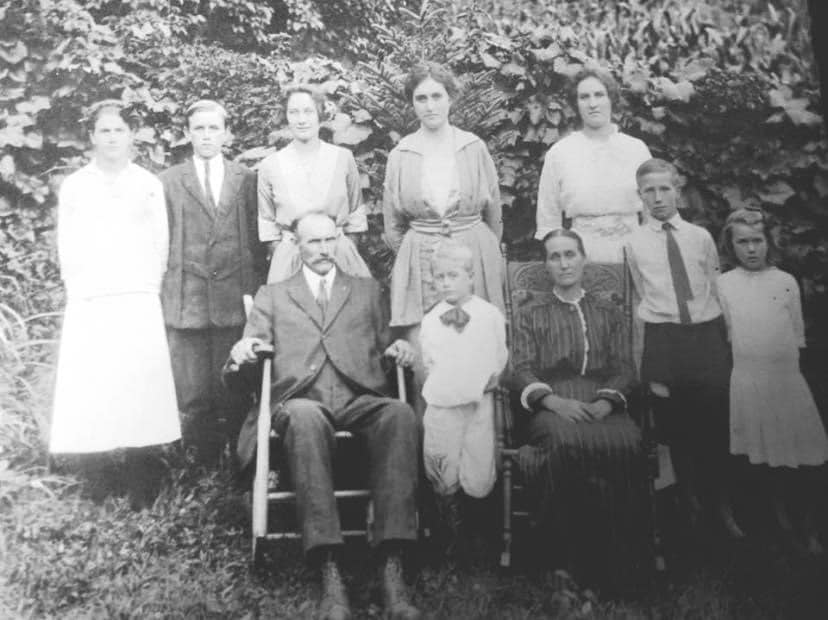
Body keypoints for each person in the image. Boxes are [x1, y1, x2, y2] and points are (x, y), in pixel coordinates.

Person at [224, 213, 421, 620]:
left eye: (330, 240)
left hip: (358, 396)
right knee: (305, 419)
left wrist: (398, 349)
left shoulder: (366, 291)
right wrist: (244, 352)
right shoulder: (274, 295)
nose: (323, 249)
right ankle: (328, 566)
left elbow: (386, 347)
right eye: (313, 242)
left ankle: (392, 563)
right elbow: (250, 347)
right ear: (296, 246)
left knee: (399, 414)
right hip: (302, 398)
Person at [50, 100, 180, 509]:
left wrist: (146, 288)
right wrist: (80, 291)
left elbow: (160, 243)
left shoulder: (147, 183)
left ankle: (142, 479)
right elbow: (67, 244)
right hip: (91, 299)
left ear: (131, 136)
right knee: (95, 385)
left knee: (138, 384)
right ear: (91, 136)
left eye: (119, 130)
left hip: (136, 297)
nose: (111, 138)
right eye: (104, 131)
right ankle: (98, 479)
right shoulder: (76, 186)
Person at [511, 229, 649, 589]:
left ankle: (617, 567)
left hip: (602, 401)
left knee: (627, 442)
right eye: (554, 257)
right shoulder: (530, 313)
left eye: (570, 254)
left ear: (583, 258)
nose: (563, 263)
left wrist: (606, 402)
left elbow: (624, 367)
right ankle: (563, 564)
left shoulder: (608, 312)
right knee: (564, 444)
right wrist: (553, 401)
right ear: (546, 265)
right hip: (552, 404)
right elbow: (521, 368)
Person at [625, 158, 741, 537]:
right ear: (640, 195)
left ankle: (722, 505)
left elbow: (715, 285)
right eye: (649, 191)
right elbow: (640, 294)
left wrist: (725, 337)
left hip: (705, 335)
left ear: (677, 190)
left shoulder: (699, 237)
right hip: (664, 338)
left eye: (665, 189)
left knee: (716, 422)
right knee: (675, 428)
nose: (658, 198)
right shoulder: (633, 243)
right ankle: (688, 504)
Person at [160, 100, 265, 465]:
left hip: (232, 295)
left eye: (213, 128)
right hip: (188, 298)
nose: (206, 136)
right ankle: (201, 466)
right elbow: (163, 241)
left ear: (226, 133)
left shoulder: (246, 179)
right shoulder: (169, 181)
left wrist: (252, 293)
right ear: (187, 134)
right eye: (199, 129)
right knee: (193, 389)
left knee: (234, 384)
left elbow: (256, 240)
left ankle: (239, 462)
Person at [717, 208, 828, 553]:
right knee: (763, 458)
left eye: (757, 240)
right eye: (742, 242)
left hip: (786, 380)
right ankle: (776, 526)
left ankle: (808, 527)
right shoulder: (724, 284)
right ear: (731, 245)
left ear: (769, 242)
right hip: (748, 381)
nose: (751, 249)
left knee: (804, 456)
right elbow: (728, 334)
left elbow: (796, 333)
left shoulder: (785, 282)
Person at [383, 62, 504, 371]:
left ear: (450, 98)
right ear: (412, 103)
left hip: (473, 252)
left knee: (477, 348)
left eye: (437, 96)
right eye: (421, 98)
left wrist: (479, 249)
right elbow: (393, 225)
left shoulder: (472, 147)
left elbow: (494, 215)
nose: (430, 105)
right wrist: (418, 250)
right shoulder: (402, 154)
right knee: (428, 353)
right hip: (420, 257)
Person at [419, 242, 508, 556]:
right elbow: (429, 361)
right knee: (442, 460)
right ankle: (449, 535)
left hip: (479, 402)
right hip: (443, 404)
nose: (445, 283)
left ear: (470, 277)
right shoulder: (432, 319)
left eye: (453, 275)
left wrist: (485, 380)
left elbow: (498, 356)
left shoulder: (489, 315)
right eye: (439, 277)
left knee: (479, 462)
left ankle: (479, 533)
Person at [536, 67, 652, 263]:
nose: (592, 104)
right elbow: (548, 219)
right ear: (576, 104)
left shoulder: (636, 149)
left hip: (635, 251)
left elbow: (652, 212)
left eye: (599, 95)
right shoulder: (560, 153)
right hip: (581, 254)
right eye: (584, 97)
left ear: (611, 99)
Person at [258, 84, 370, 282]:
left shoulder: (342, 158)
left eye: (308, 111)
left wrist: (343, 251)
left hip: (338, 256)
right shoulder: (270, 165)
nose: (301, 120)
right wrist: (284, 257)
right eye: (294, 112)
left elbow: (356, 215)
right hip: (291, 259)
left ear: (320, 114)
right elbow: (267, 225)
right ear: (286, 117)